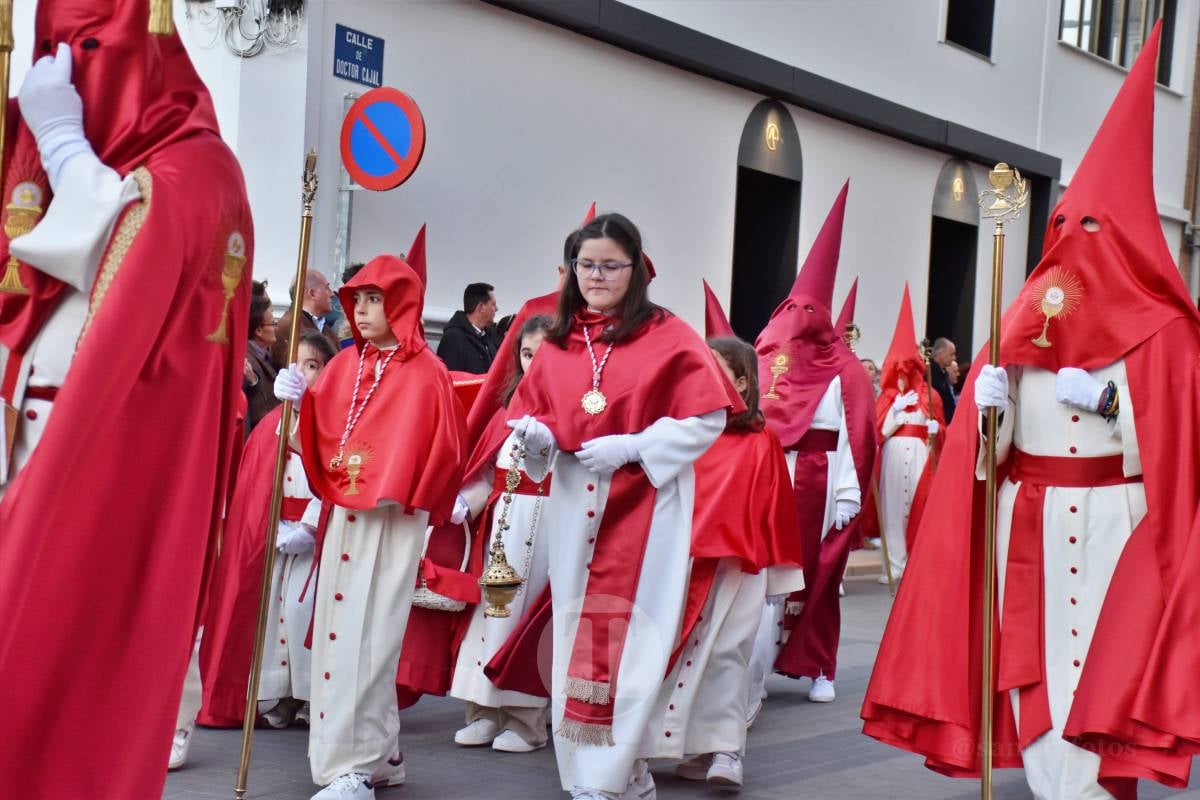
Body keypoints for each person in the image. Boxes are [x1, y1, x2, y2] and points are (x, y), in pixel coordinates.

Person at [864, 23, 1200, 796]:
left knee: (1106, 679)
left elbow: (1183, 451)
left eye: (1094, 227)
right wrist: (989, 410)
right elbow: (991, 456)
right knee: (1039, 674)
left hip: (1121, 523)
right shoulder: (1015, 322)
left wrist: (1116, 400)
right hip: (1031, 524)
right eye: (1066, 226)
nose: (1075, 242)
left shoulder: (1167, 333)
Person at [0, 5, 253, 798]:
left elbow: (127, 245)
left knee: (59, 691)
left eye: (86, 51)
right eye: (51, 54)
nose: (65, 73)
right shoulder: (44, 156)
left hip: (104, 475)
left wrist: (66, 143)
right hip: (18, 449)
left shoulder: (202, 169)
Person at [505, 213, 737, 800]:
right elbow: (530, 421)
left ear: (637, 269)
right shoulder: (558, 339)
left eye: (610, 265)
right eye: (586, 264)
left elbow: (708, 417)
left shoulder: (670, 334)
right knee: (575, 635)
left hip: (647, 509)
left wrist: (635, 445)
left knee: (630, 642)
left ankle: (605, 779)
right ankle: (598, 775)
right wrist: (534, 442)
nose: (597, 276)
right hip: (572, 504)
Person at [274, 255, 468, 800]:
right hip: (343, 518)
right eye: (356, 299)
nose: (362, 310)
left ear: (401, 303)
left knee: (371, 635)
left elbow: (443, 449)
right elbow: (312, 442)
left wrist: (403, 486)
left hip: (391, 521)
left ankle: (354, 768)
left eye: (374, 299)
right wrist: (297, 406)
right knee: (340, 630)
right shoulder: (343, 364)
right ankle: (379, 757)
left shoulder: (425, 371)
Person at [651, 332, 803, 788]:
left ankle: (726, 751)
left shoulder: (761, 438)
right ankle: (688, 748)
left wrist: (780, 577)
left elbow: (775, 505)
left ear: (741, 380)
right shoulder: (682, 433)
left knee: (727, 655)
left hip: (738, 564)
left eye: (716, 368)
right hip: (679, 562)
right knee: (671, 654)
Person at [750, 183, 876, 706]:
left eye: (809, 306)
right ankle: (755, 661)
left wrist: (849, 492)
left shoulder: (845, 370)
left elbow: (856, 434)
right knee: (760, 574)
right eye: (791, 305)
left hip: (821, 477)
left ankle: (820, 662)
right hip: (770, 472)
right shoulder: (766, 354)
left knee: (819, 573)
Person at [195, 332, 336, 737]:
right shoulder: (274, 425)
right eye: (297, 364)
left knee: (300, 611)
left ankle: (312, 695)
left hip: (312, 537)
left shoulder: (330, 422)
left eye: (312, 365)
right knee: (273, 615)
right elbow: (260, 483)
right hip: (278, 533)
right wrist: (270, 526)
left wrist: (310, 525)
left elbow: (330, 478)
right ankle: (281, 694)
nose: (303, 373)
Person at [449, 314, 556, 753]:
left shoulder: (576, 405)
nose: (534, 364)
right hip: (502, 524)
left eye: (544, 355)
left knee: (527, 618)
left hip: (545, 523)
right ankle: (483, 710)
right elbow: (489, 466)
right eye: (527, 354)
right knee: (490, 614)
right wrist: (465, 502)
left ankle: (527, 719)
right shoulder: (507, 405)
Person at [874, 284, 943, 585]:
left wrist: (936, 429)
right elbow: (877, 432)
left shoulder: (931, 395)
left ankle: (916, 561)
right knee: (891, 507)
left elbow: (942, 429)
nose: (902, 378)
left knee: (917, 502)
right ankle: (894, 563)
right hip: (894, 452)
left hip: (918, 453)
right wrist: (893, 412)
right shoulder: (887, 398)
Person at [272, 269, 338, 365]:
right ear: (312, 293)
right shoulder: (291, 326)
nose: (332, 294)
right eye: (327, 288)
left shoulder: (325, 329)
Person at [438, 281, 500, 373]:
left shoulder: (489, 338)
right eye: (493, 304)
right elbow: (451, 379)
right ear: (481, 308)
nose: (497, 308)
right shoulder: (453, 339)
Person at [244, 293, 281, 432]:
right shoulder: (249, 360)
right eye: (273, 323)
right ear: (258, 330)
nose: (277, 327)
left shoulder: (267, 354)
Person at [929, 336, 958, 422]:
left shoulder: (944, 373)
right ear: (940, 354)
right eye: (951, 354)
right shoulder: (930, 372)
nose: (954, 358)